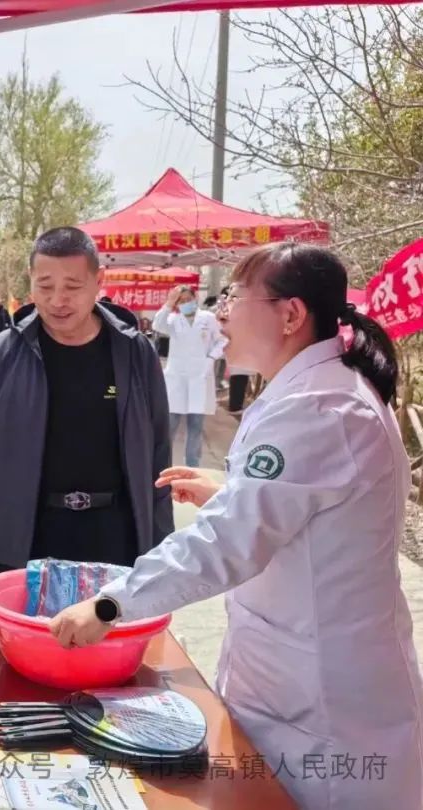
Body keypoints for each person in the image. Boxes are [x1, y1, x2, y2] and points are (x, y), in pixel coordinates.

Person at [48, 242, 423, 809]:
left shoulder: (318, 408)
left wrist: (109, 605)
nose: (220, 314)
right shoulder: (312, 392)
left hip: (323, 706)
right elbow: (301, 504)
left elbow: (225, 543)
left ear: (291, 315)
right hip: (295, 682)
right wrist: (232, 489)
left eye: (234, 298)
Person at [0, 226, 174, 583]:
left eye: (72, 287)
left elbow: (159, 457)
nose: (58, 300)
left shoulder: (134, 352)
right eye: (45, 286)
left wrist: (162, 547)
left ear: (98, 281)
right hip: (29, 537)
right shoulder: (3, 354)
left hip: (117, 536)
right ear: (30, 280)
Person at [152, 284, 227, 468]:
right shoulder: (173, 319)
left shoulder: (208, 318)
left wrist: (211, 358)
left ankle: (192, 467)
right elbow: (157, 324)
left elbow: (223, 340)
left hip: (199, 379)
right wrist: (169, 303)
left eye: (189, 299)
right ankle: (162, 466)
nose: (186, 303)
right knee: (169, 427)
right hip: (177, 379)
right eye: (181, 301)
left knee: (195, 428)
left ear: (196, 298)